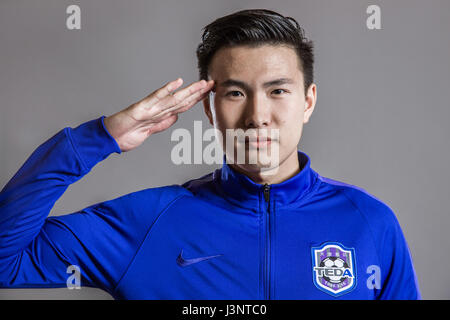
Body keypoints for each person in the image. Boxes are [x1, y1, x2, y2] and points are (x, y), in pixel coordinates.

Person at [0, 9, 420, 299]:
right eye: (236, 93)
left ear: (308, 101)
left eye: (278, 91)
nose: (258, 116)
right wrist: (102, 136)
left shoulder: (370, 222)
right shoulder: (148, 223)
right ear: (209, 107)